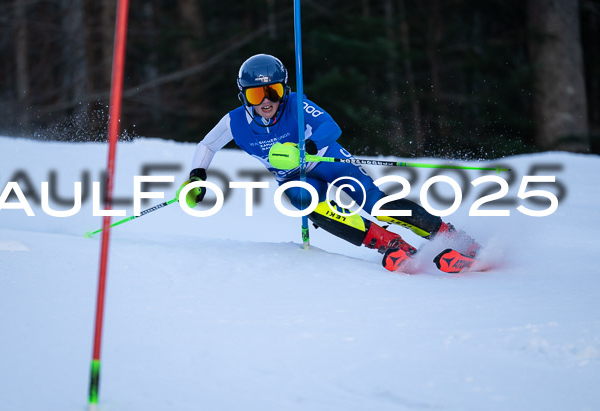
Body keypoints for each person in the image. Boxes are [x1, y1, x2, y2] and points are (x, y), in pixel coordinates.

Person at [178, 54, 479, 273]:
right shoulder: (234, 122)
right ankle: (390, 244)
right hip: (296, 179)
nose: (266, 101)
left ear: (284, 89)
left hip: (328, 161)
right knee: (308, 204)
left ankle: (447, 235)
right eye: (257, 94)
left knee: (375, 204)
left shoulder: (295, 104)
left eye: (274, 92)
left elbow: (331, 127)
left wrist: (307, 146)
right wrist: (197, 175)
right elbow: (207, 145)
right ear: (244, 95)